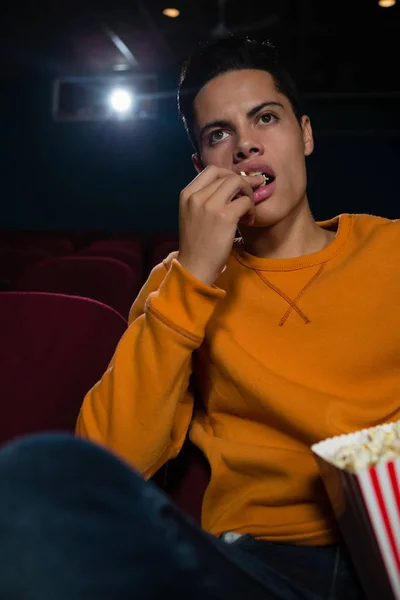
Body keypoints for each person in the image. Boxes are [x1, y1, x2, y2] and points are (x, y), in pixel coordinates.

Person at [5, 34, 398, 598]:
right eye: (220, 134)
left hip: (391, 535)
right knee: (36, 473)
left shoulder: (392, 250)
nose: (245, 146)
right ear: (200, 168)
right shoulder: (179, 282)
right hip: (259, 566)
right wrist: (194, 274)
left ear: (305, 134)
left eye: (266, 118)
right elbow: (108, 461)